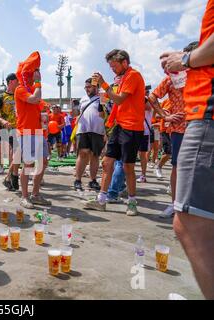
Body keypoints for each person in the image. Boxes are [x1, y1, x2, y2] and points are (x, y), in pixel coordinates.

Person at [160, 0, 214, 299]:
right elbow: (153, 97)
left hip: (207, 117)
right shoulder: (169, 84)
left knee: (192, 223)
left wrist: (188, 58)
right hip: (192, 123)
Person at [83, 49, 145, 216]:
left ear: (124, 62)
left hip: (132, 127)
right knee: (107, 162)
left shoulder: (133, 76)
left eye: (114, 66)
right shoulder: (123, 78)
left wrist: (103, 84)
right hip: (119, 125)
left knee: (127, 166)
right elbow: (113, 101)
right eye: (110, 67)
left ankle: (132, 202)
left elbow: (118, 99)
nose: (112, 69)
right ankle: (101, 200)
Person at [149, 42, 199, 218]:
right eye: (163, 66)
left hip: (203, 126)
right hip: (180, 129)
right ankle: (175, 205)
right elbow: (152, 96)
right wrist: (165, 116)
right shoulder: (172, 79)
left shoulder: (204, 74)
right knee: (177, 166)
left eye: (167, 64)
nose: (166, 69)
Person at [15, 51, 51, 209]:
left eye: (35, 74)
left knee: (43, 162)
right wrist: (38, 83)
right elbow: (35, 99)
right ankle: (24, 196)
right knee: (28, 164)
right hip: (26, 132)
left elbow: (40, 105)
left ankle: (35, 194)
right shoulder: (20, 90)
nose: (35, 76)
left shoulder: (32, 90)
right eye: (32, 74)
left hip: (38, 132)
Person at [74, 78, 105, 192]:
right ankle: (78, 180)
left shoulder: (102, 98)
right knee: (83, 153)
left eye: (89, 87)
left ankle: (93, 180)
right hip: (83, 130)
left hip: (98, 131)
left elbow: (105, 114)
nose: (86, 89)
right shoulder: (82, 100)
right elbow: (76, 114)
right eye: (85, 87)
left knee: (95, 155)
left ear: (96, 87)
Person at [0, 73, 19, 192]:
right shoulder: (1, 97)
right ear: (11, 81)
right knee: (17, 153)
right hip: (8, 129)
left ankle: (10, 177)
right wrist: (2, 121)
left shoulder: (20, 95)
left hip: (20, 128)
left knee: (18, 154)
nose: (19, 83)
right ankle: (11, 177)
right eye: (17, 80)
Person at [136, 86, 154, 183]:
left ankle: (143, 175)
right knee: (134, 153)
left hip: (144, 131)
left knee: (142, 154)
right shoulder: (139, 99)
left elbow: (148, 107)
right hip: (134, 129)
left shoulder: (147, 100)